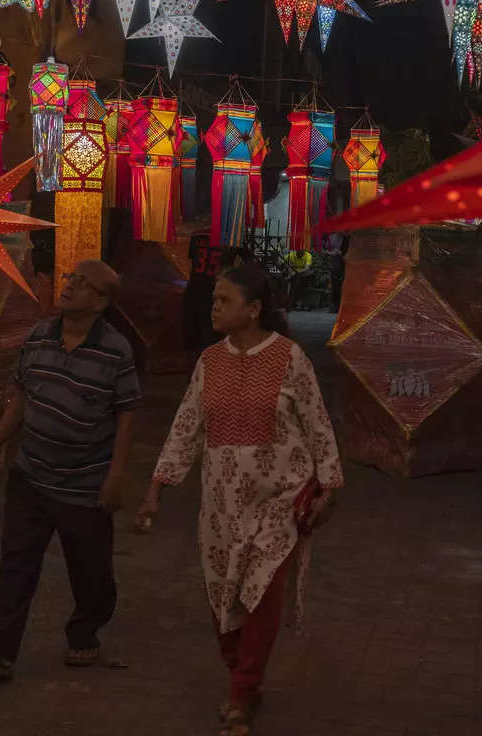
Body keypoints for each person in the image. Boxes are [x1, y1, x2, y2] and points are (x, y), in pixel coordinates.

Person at [137, 264, 342, 736]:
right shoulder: (209, 361)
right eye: (214, 300)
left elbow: (317, 423)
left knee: (263, 597)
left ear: (253, 310)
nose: (214, 307)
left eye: (224, 300)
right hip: (220, 507)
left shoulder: (290, 358)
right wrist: (155, 491)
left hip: (279, 504)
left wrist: (329, 486)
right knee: (223, 596)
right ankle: (241, 676)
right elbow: (186, 428)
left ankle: (242, 691)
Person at [0, 259, 141, 681]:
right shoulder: (40, 336)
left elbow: (127, 413)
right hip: (32, 475)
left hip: (85, 482)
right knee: (16, 562)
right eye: (71, 278)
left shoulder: (116, 350)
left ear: (102, 301)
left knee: (90, 569)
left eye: (82, 283)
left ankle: (85, 630)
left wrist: (116, 475)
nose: (69, 286)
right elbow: (21, 394)